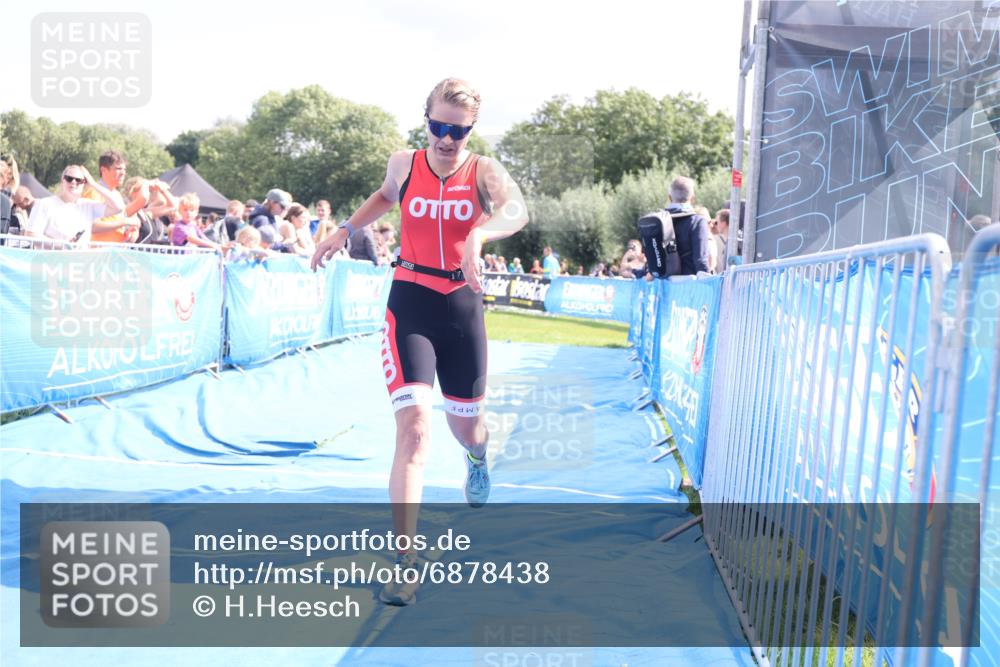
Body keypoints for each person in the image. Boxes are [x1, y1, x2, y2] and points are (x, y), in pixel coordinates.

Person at [311, 78, 528, 605]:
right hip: (408, 304)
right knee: (413, 431)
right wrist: (344, 227)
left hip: (461, 310)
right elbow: (387, 197)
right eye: (438, 126)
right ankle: (406, 560)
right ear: (425, 119)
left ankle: (477, 460)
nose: (447, 139)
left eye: (458, 130)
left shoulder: (485, 171)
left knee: (467, 429)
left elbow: (517, 212)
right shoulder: (404, 163)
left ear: (470, 130)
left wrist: (479, 233)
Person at [26, 165, 122, 243]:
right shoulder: (44, 204)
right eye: (69, 178)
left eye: (78, 180)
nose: (73, 182)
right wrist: (62, 245)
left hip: (80, 263)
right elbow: (31, 234)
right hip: (50, 262)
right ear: (62, 181)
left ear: (84, 184)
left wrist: (93, 183)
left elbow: (118, 207)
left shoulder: (87, 205)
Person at [86, 150, 142, 243]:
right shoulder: (93, 192)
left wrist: (131, 231)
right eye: (118, 168)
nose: (123, 173)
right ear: (103, 170)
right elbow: (91, 226)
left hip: (116, 252)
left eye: (124, 169)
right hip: (99, 254)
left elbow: (120, 225)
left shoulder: (117, 194)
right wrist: (125, 222)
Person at [664, 176, 712, 275]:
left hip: (660, 284)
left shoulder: (659, 220)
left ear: (669, 197)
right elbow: (701, 261)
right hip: (688, 284)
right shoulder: (697, 221)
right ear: (692, 198)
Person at [714, 208, 730, 273]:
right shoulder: (741, 239)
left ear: (723, 223)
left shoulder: (715, 240)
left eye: (716, 222)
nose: (715, 225)